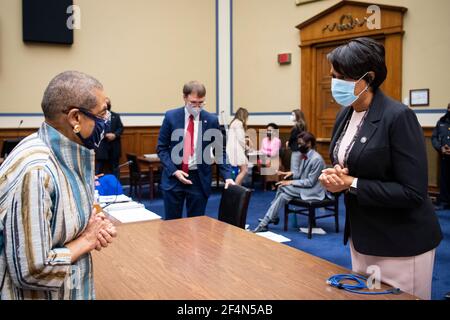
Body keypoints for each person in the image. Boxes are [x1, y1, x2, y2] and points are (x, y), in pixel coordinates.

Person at [319, 38, 442, 300]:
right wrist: (334, 178)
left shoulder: (398, 117)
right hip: (363, 238)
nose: (334, 83)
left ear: (368, 78)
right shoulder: (346, 113)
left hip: (400, 242)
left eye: (341, 77)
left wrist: (350, 183)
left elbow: (413, 192)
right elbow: (349, 164)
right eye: (332, 76)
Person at [0, 71, 117, 299]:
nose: (107, 119)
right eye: (102, 112)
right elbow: (32, 270)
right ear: (75, 118)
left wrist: (91, 224)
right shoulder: (36, 170)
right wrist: (87, 239)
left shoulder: (64, 152)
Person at [157, 81, 234, 220]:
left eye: (201, 103)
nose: (197, 107)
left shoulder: (210, 120)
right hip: (174, 177)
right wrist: (174, 171)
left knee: (197, 226)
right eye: (193, 102)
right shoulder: (171, 117)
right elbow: (161, 148)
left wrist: (227, 176)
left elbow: (219, 151)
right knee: (172, 226)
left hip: (199, 179)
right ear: (184, 98)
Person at [253, 132, 327, 233]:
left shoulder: (316, 159)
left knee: (282, 187)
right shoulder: (305, 155)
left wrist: (291, 182)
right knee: (283, 194)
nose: (299, 146)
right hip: (305, 188)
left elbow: (310, 182)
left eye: (301, 144)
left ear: (309, 143)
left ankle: (269, 220)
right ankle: (267, 221)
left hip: (314, 190)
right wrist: (288, 173)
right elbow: (300, 174)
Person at [95, 98, 124, 178]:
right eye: (105, 104)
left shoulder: (115, 116)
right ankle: (97, 188)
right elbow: (95, 129)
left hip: (114, 147)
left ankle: (116, 187)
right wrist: (105, 135)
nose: (107, 106)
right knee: (99, 169)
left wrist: (114, 135)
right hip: (102, 147)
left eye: (108, 104)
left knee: (115, 169)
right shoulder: (97, 116)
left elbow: (120, 128)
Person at [431, 103, 450, 209]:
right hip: (444, 157)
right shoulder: (441, 122)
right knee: (444, 179)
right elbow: (434, 137)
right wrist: (440, 147)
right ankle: (444, 201)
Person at [226, 107, 249, 185]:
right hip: (237, 150)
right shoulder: (238, 123)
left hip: (232, 149)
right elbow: (241, 138)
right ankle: (236, 189)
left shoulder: (233, 123)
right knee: (244, 170)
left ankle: (237, 188)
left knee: (241, 170)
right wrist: (246, 147)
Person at [260, 123, 282, 190]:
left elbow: (273, 154)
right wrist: (267, 152)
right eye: (267, 130)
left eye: (270, 130)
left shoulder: (277, 141)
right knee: (263, 162)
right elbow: (261, 150)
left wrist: (265, 152)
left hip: (275, 158)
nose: (268, 132)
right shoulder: (264, 140)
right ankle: (268, 183)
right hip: (264, 158)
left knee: (271, 164)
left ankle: (272, 183)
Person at [286, 109, 307, 178]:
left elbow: (292, 138)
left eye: (293, 115)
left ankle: (295, 185)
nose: (291, 117)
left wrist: (288, 144)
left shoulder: (296, 127)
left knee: (294, 169)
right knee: (299, 169)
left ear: (297, 116)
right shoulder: (303, 126)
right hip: (301, 150)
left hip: (296, 150)